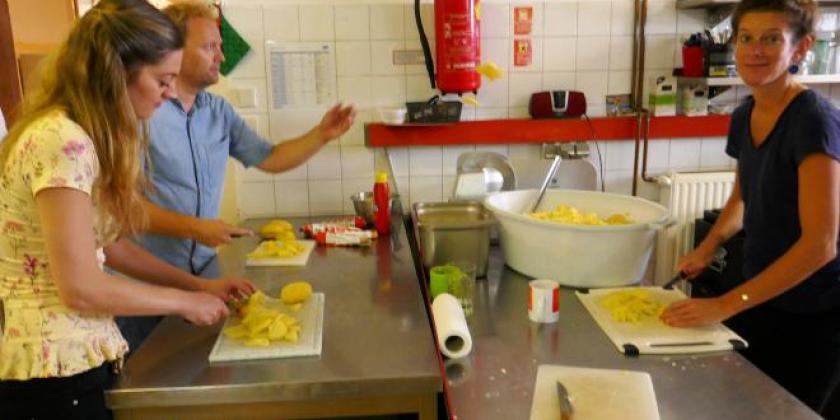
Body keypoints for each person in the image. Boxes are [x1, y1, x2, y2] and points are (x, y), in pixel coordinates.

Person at [0, 1, 255, 418]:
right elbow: (79, 286)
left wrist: (200, 287)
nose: (170, 92)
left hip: (78, 363)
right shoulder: (62, 141)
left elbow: (112, 247)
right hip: (51, 374)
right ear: (117, 72)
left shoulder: (81, 134)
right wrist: (182, 303)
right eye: (162, 79)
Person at [119, 0, 355, 350]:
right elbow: (121, 208)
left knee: (202, 371)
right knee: (148, 381)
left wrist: (320, 135)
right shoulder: (138, 113)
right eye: (209, 47)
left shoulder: (218, 111)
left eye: (220, 47)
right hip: (145, 280)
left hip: (204, 271)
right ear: (173, 50)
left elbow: (270, 157)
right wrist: (196, 227)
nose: (221, 57)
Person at [660, 0, 840, 416]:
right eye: (746, 38)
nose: (754, 50)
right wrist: (708, 247)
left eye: (771, 39)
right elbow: (742, 198)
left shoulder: (813, 122)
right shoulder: (744, 115)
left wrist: (725, 304)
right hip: (758, 295)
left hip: (814, 314)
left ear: (800, 48)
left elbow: (821, 244)